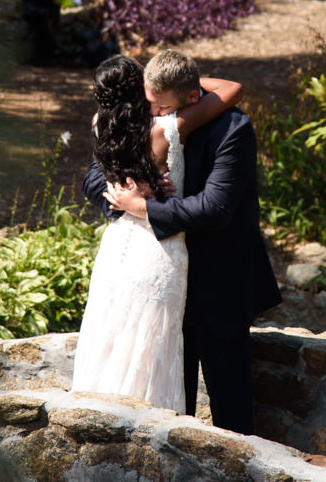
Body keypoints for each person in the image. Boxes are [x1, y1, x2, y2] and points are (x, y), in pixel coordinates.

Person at [90, 49, 281, 435]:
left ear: (190, 97)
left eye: (162, 105)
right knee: (167, 407)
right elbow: (93, 178)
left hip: (219, 282)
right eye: (152, 104)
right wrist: (124, 192)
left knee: (232, 414)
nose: (155, 113)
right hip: (156, 281)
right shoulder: (139, 119)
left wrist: (144, 206)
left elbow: (214, 208)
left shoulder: (233, 129)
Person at [71, 54, 245, 412]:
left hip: (117, 250)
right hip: (158, 251)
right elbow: (232, 88)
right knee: (153, 350)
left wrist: (130, 199)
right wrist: (185, 82)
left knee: (113, 338)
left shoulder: (101, 123)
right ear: (141, 88)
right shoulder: (169, 127)